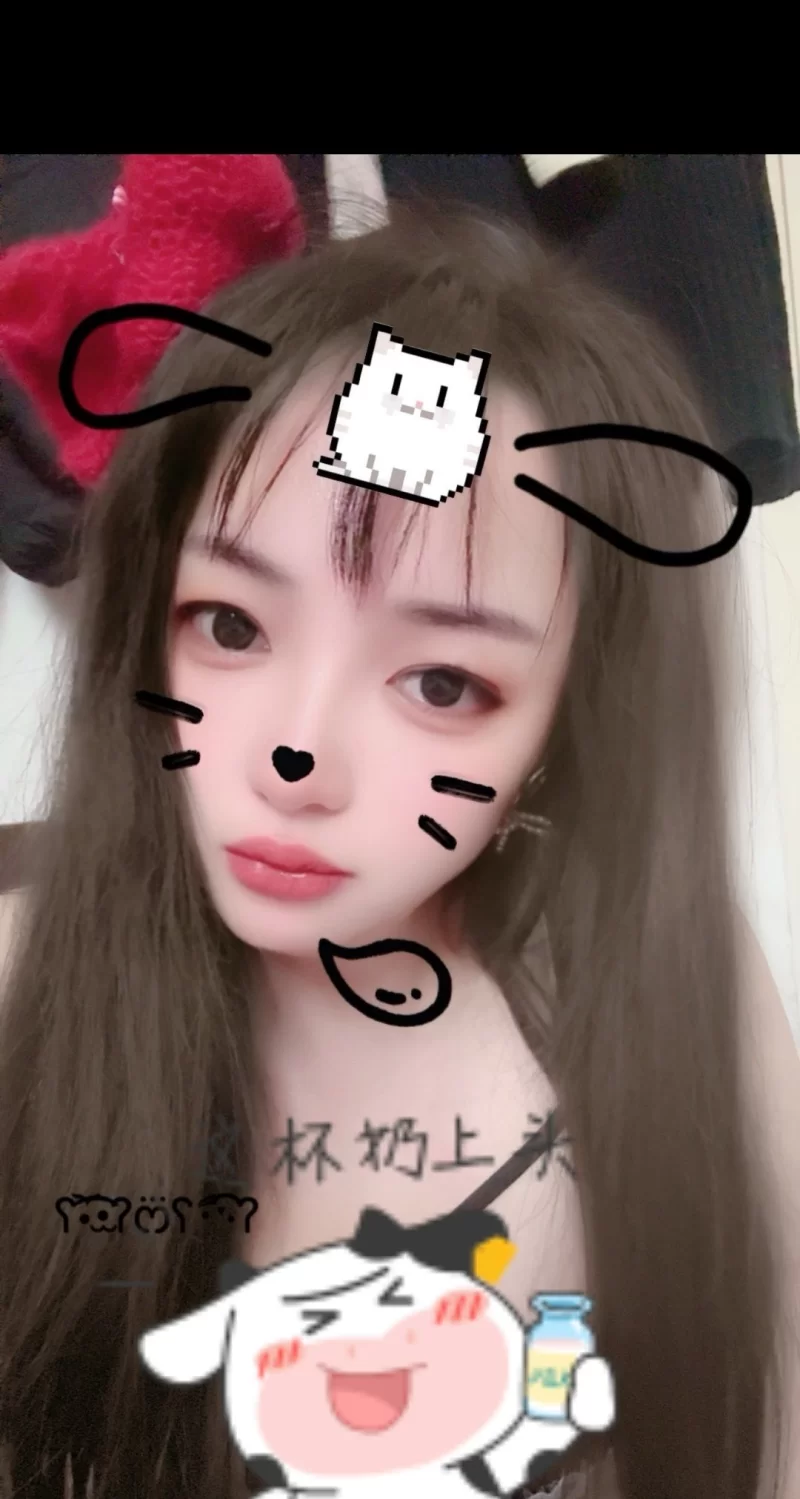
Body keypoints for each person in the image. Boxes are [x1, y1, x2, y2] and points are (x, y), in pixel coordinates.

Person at [1, 197, 798, 1499]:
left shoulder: (669, 1000)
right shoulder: (20, 979)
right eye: (231, 626)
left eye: (441, 683)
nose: (296, 755)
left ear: (562, 723)